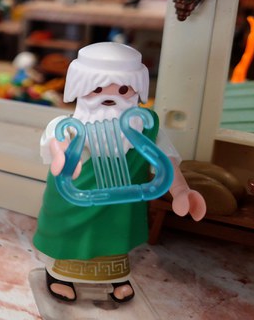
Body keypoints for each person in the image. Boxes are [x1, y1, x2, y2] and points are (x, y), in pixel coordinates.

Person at [33, 42, 206, 303]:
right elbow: (58, 140)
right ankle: (60, 275)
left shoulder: (147, 127)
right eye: (97, 89)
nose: (109, 97)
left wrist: (181, 191)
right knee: (72, 236)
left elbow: (165, 159)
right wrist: (63, 156)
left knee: (114, 235)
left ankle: (116, 278)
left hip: (123, 200)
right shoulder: (68, 124)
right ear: (80, 87)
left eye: (123, 90)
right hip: (76, 198)